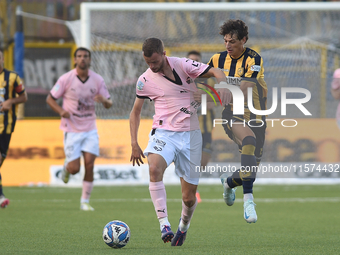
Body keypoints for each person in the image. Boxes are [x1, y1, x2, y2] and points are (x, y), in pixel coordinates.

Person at [130, 38, 226, 246]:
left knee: (189, 198)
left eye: (155, 62)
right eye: (148, 63)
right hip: (163, 133)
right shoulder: (145, 80)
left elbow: (217, 71)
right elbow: (135, 112)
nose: (152, 67)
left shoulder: (183, 65)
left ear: (164, 54)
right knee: (154, 168)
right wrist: (134, 143)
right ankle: (164, 224)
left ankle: (183, 227)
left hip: (191, 135)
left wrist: (224, 88)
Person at [208, 19, 268, 223]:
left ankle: (228, 183)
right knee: (249, 142)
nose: (228, 45)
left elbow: (247, 87)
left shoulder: (254, 58)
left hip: (257, 117)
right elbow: (198, 78)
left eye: (232, 41)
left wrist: (224, 89)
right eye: (225, 41)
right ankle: (249, 202)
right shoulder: (217, 59)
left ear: (243, 40)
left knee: (249, 170)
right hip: (233, 115)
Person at [46, 47, 112, 211]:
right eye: (80, 56)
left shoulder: (97, 80)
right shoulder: (66, 79)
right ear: (75, 59)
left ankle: (85, 201)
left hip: (90, 128)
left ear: (90, 60)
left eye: (86, 56)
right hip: (72, 129)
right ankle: (67, 167)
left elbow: (109, 103)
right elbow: (50, 99)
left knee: (89, 165)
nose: (83, 59)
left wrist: (103, 100)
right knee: (75, 169)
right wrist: (61, 111)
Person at [0, 49, 28, 208]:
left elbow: (24, 97)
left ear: (3, 59)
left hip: (6, 127)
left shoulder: (12, 77)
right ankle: (1, 196)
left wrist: (10, 101)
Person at [186, 50, 215, 203]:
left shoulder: (208, 80)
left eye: (196, 61)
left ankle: (192, 187)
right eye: (191, 61)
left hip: (205, 127)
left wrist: (197, 103)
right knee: (189, 161)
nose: (193, 63)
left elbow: (213, 103)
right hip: (185, 128)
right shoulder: (181, 79)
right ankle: (192, 192)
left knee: (203, 161)